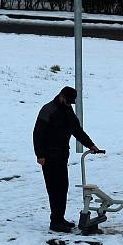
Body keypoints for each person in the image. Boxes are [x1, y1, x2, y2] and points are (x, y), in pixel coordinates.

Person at [33, 86, 99, 232]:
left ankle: (59, 218)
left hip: (62, 156)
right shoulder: (48, 109)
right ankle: (55, 222)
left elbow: (77, 130)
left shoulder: (68, 110)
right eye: (68, 101)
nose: (69, 103)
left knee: (63, 188)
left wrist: (90, 145)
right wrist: (40, 155)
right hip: (49, 157)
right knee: (54, 189)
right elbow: (37, 134)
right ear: (61, 96)